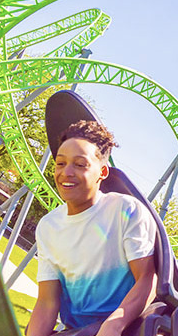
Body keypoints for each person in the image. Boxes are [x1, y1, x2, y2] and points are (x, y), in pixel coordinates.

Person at [27, 120, 157, 336]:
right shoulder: (48, 227)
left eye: (80, 165)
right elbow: (47, 301)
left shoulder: (126, 210)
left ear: (102, 172)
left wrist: (113, 326)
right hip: (76, 331)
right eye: (60, 163)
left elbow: (147, 279)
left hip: (125, 327)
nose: (66, 172)